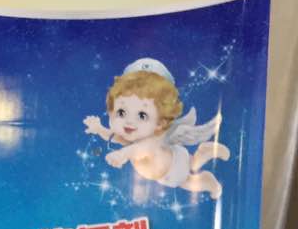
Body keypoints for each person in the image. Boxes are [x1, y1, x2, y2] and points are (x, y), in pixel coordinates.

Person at [83, 57, 230, 199]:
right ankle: (204, 160)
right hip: (165, 177)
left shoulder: (151, 141)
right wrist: (98, 128)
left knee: (191, 179)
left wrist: (122, 154)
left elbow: (140, 150)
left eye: (142, 115)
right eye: (121, 112)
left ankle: (208, 171)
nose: (129, 121)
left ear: (160, 122)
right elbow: (114, 137)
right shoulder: (132, 138)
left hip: (174, 167)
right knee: (191, 173)